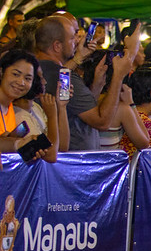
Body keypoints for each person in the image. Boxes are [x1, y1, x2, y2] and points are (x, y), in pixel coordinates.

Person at [36, 16, 139, 151]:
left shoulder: (38, 70)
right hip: (75, 162)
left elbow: (79, 106)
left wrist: (96, 84)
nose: (78, 42)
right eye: (73, 37)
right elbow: (102, 122)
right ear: (57, 46)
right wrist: (118, 76)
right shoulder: (66, 78)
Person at [0, 49, 57, 163]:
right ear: (1, 72)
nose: (21, 82)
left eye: (27, 79)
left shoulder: (9, 109)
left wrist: (21, 143)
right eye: (15, 74)